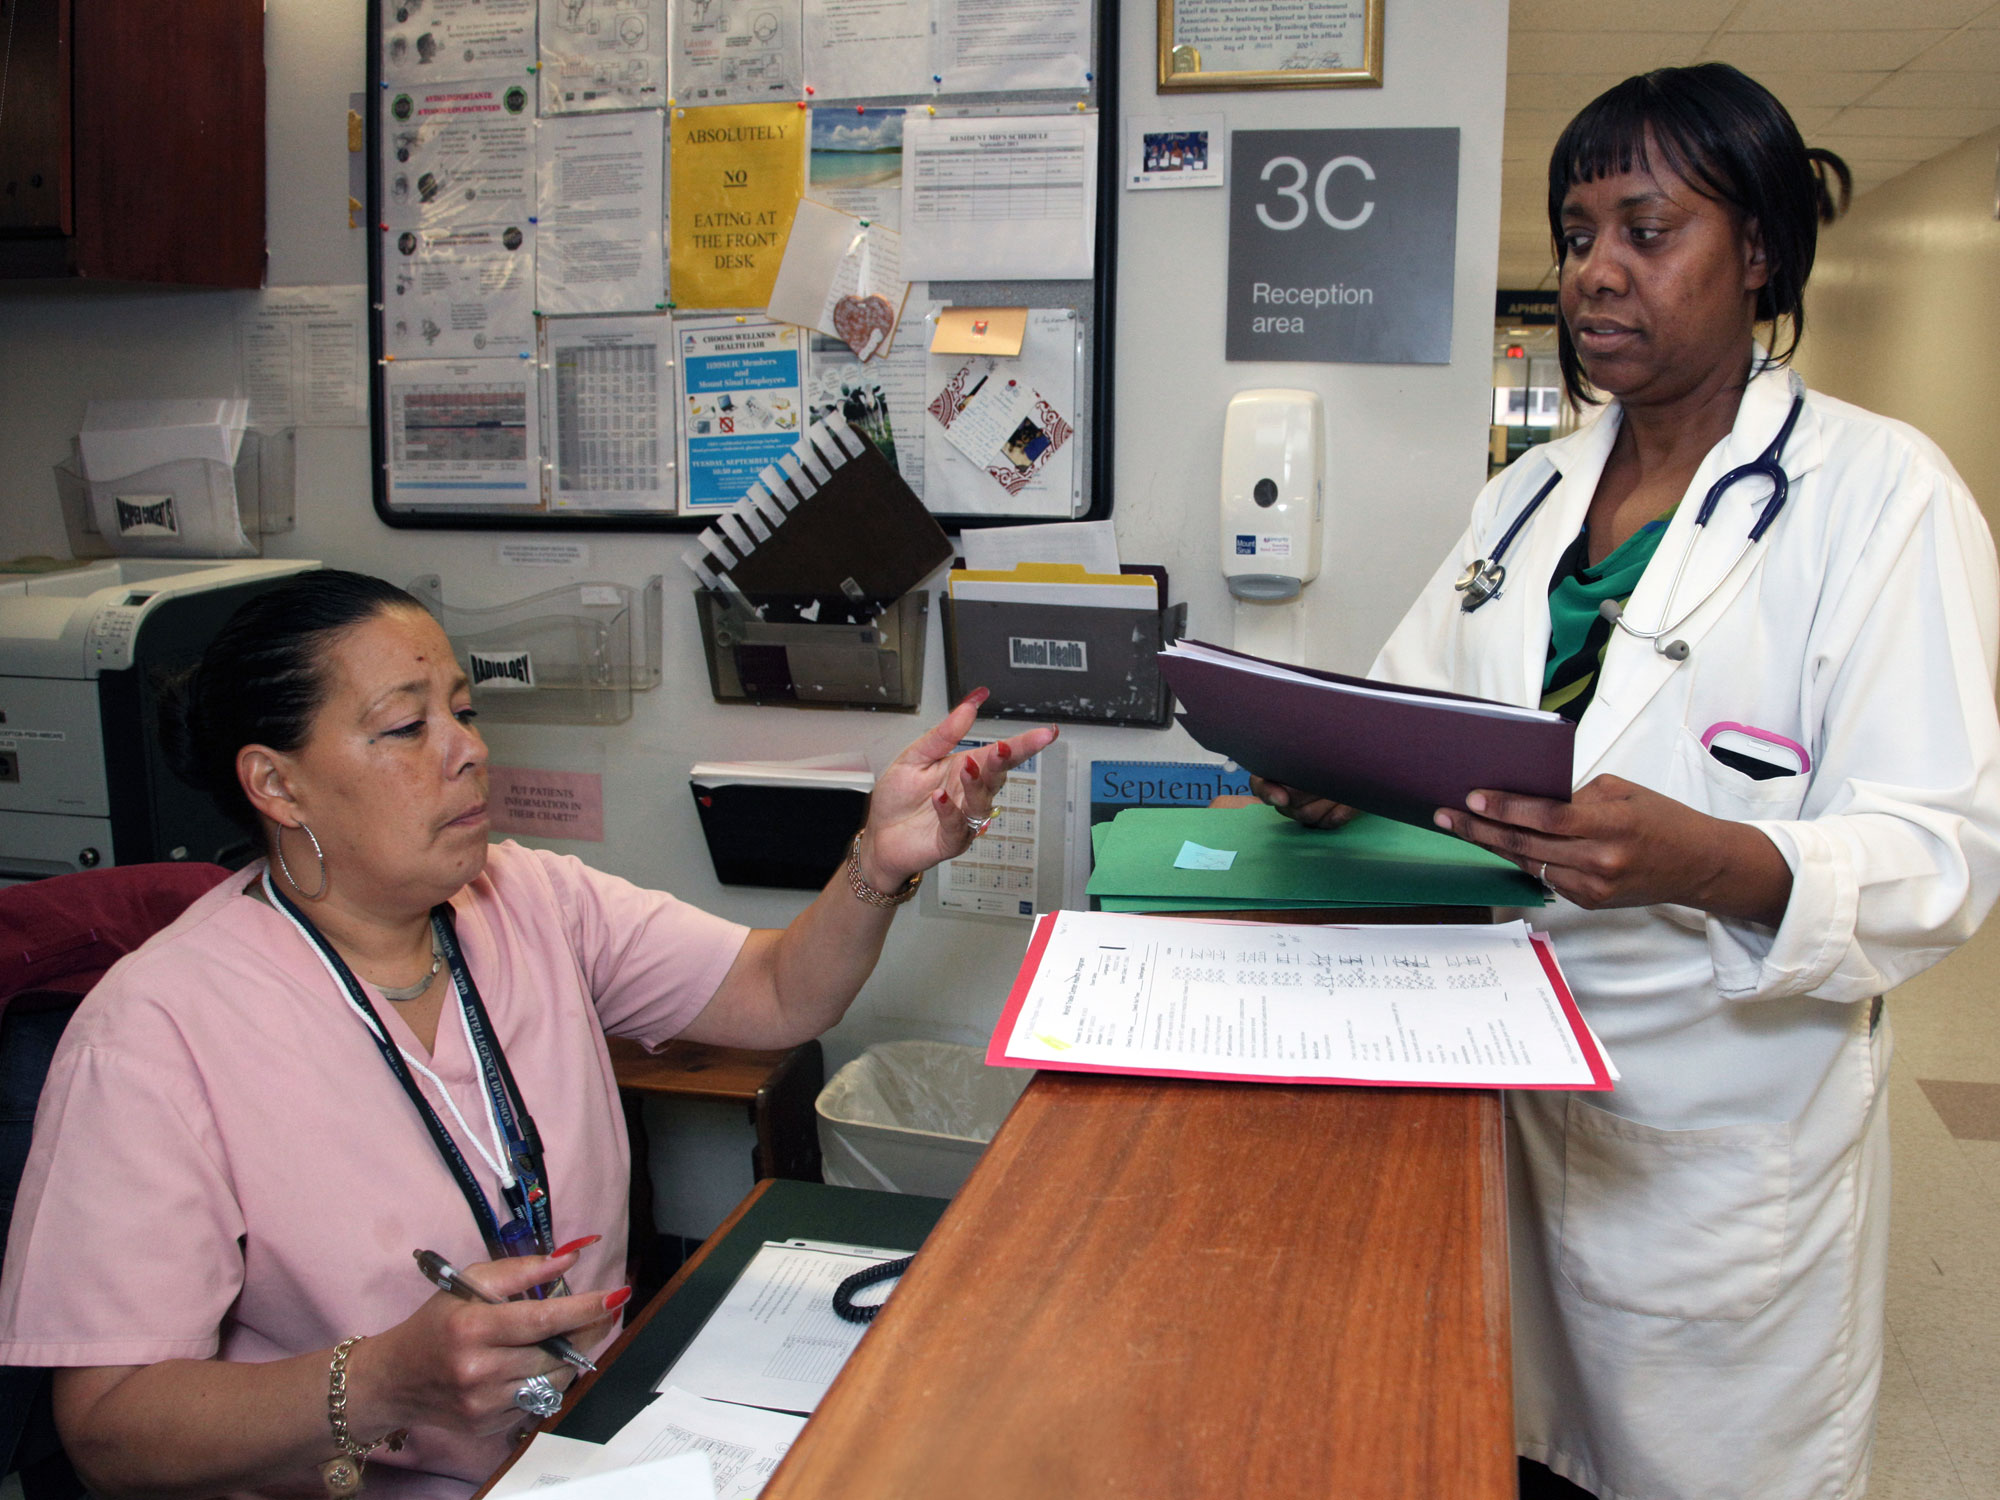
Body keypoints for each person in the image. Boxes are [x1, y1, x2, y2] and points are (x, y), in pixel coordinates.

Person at [1254, 65, 2000, 1500]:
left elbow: (1940, 856)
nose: (1597, 272)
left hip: (1711, 1138)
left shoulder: (1881, 495)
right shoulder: (1529, 491)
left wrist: (1705, 860)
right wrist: (1337, 764)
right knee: (1496, 1443)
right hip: (1497, 1081)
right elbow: (1424, 696)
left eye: (1647, 231)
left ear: (1760, 253)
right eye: (1579, 232)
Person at [0, 570, 1055, 1500]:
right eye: (407, 728)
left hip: (596, 1442)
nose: (467, 750)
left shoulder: (530, 899)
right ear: (275, 783)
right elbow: (107, 1433)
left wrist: (878, 860)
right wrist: (376, 1382)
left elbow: (775, 992)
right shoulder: (152, 1033)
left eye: (461, 710)